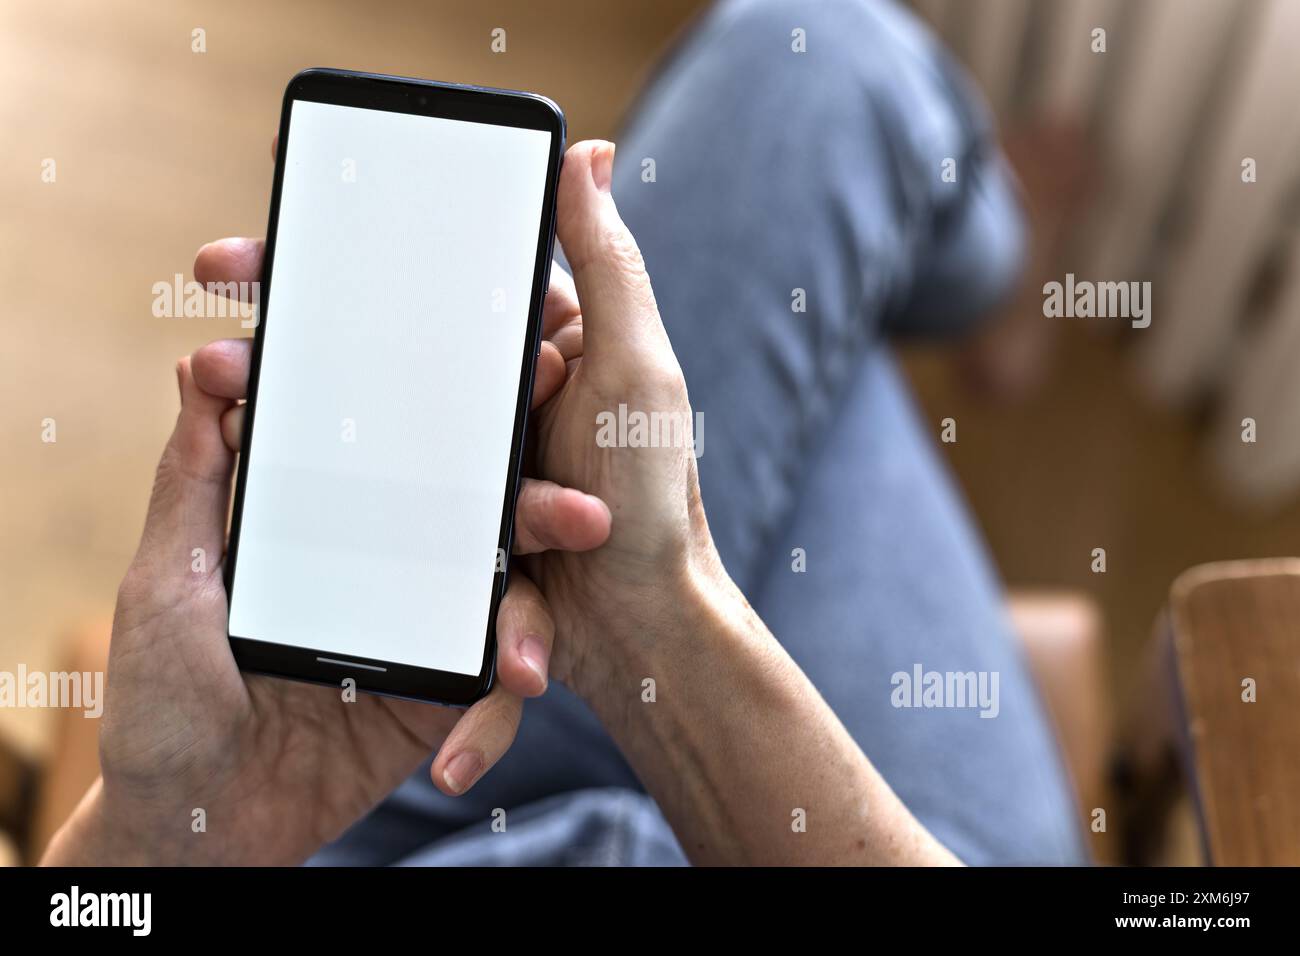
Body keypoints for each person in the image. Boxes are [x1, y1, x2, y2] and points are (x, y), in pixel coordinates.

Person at [41, 0, 1085, 866]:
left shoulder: (206, 808)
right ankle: (995, 282)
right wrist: (656, 626)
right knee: (824, 69)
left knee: (792, 82)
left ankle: (976, 286)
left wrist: (166, 836)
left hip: (354, 799)